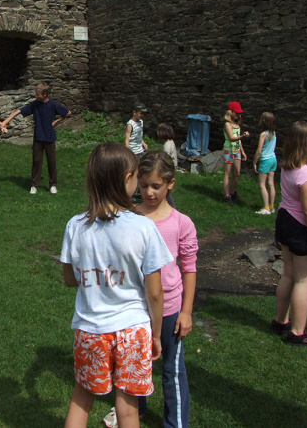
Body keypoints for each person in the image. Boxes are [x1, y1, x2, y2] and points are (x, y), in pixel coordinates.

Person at [60, 143, 172, 428]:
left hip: (89, 329)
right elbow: (155, 293)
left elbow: (69, 278)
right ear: (127, 179)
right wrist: (157, 334)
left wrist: (95, 275)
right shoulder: (143, 228)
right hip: (133, 330)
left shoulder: (75, 226)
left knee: (81, 398)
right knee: (128, 407)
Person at [104, 151, 197, 428]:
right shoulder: (131, 217)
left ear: (170, 184)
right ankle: (134, 410)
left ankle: (176, 422)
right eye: (143, 185)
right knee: (133, 364)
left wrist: (186, 311)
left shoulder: (181, 223)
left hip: (170, 309)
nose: (149, 192)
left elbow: (189, 268)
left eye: (156, 186)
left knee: (172, 369)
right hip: (136, 307)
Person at [271, 121, 307, 346]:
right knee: (303, 280)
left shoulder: (288, 166)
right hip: (302, 226)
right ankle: (297, 332)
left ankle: (280, 321)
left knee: (288, 274)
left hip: (286, 220)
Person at [0, 82, 71, 195]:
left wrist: (56, 121)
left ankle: (53, 185)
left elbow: (68, 113)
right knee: (36, 161)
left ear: (45, 94)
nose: (36, 96)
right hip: (38, 138)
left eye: (38, 94)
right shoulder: (35, 104)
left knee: (51, 162)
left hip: (49, 138)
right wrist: (5, 121)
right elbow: (19, 111)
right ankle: (34, 185)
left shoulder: (53, 105)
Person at [222, 101, 250, 203]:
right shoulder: (227, 124)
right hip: (228, 151)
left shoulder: (237, 125)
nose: (238, 115)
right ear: (231, 112)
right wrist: (243, 136)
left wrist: (242, 151)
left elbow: (238, 141)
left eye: (239, 113)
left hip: (236, 151)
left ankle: (233, 192)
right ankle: (226, 196)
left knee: (237, 173)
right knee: (228, 173)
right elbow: (232, 138)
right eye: (236, 113)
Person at [253, 112, 277, 215]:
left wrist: (255, 162)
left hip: (265, 160)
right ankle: (272, 206)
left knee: (262, 184)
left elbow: (259, 151)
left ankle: (266, 208)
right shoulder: (273, 133)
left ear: (263, 121)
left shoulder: (263, 134)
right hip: (273, 159)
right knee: (271, 183)